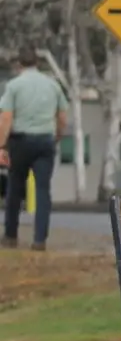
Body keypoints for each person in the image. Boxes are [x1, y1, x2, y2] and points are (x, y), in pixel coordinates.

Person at [0, 47, 69, 251]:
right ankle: (40, 239)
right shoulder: (52, 84)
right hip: (45, 141)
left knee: (15, 188)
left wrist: (2, 144)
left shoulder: (13, 86)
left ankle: (11, 235)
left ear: (18, 65)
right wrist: (57, 136)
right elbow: (63, 116)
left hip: (20, 141)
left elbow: (6, 117)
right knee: (42, 190)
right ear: (38, 63)